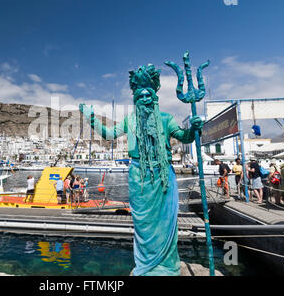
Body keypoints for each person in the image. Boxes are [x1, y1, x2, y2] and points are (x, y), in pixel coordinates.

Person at [79, 63, 204, 276]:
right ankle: (146, 266)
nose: (145, 98)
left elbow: (184, 137)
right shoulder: (130, 120)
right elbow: (109, 135)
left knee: (166, 223)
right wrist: (92, 119)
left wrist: (194, 127)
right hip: (139, 176)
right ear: (136, 98)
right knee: (143, 223)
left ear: (154, 96)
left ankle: (167, 266)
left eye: (149, 94)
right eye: (141, 95)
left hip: (164, 175)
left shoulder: (165, 119)